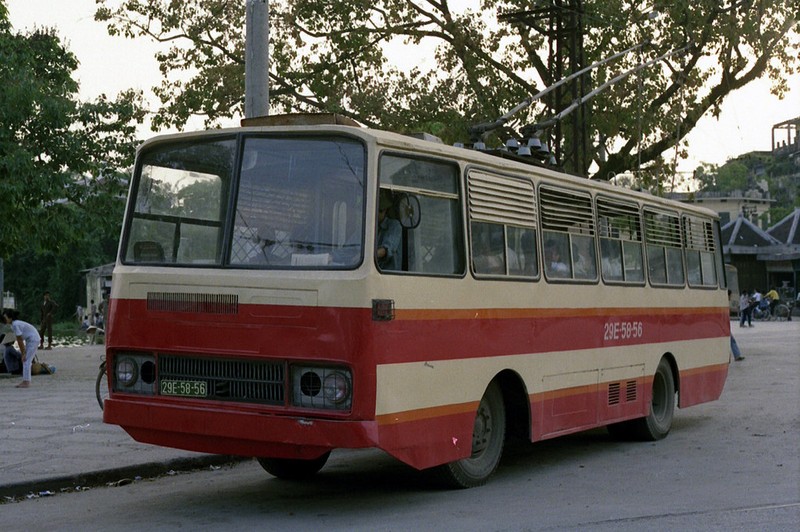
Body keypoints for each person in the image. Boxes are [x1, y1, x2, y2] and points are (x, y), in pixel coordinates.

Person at [2, 308, 41, 388]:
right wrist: (23, 352)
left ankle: (26, 381)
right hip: (31, 340)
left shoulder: (16, 325)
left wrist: (23, 353)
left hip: (33, 339)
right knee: (26, 360)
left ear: (10, 318)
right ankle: (26, 380)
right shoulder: (14, 325)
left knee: (26, 360)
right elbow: (20, 340)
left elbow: (19, 340)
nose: (4, 319)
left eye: (5, 317)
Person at [376, 191, 402, 271]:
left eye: (379, 211)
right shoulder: (370, 226)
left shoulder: (394, 226)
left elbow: (386, 249)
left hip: (388, 275)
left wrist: (366, 257)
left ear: (385, 211)